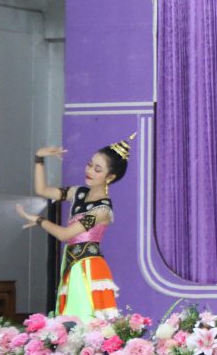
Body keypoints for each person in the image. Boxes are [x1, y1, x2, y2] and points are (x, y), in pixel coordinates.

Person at [15, 134, 136, 320]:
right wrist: (39, 158)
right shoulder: (77, 192)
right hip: (72, 263)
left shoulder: (101, 210)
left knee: (84, 317)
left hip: (88, 266)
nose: (89, 171)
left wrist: (39, 220)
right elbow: (42, 190)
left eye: (97, 169)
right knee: (70, 317)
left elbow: (65, 234)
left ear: (110, 177)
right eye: (89, 164)